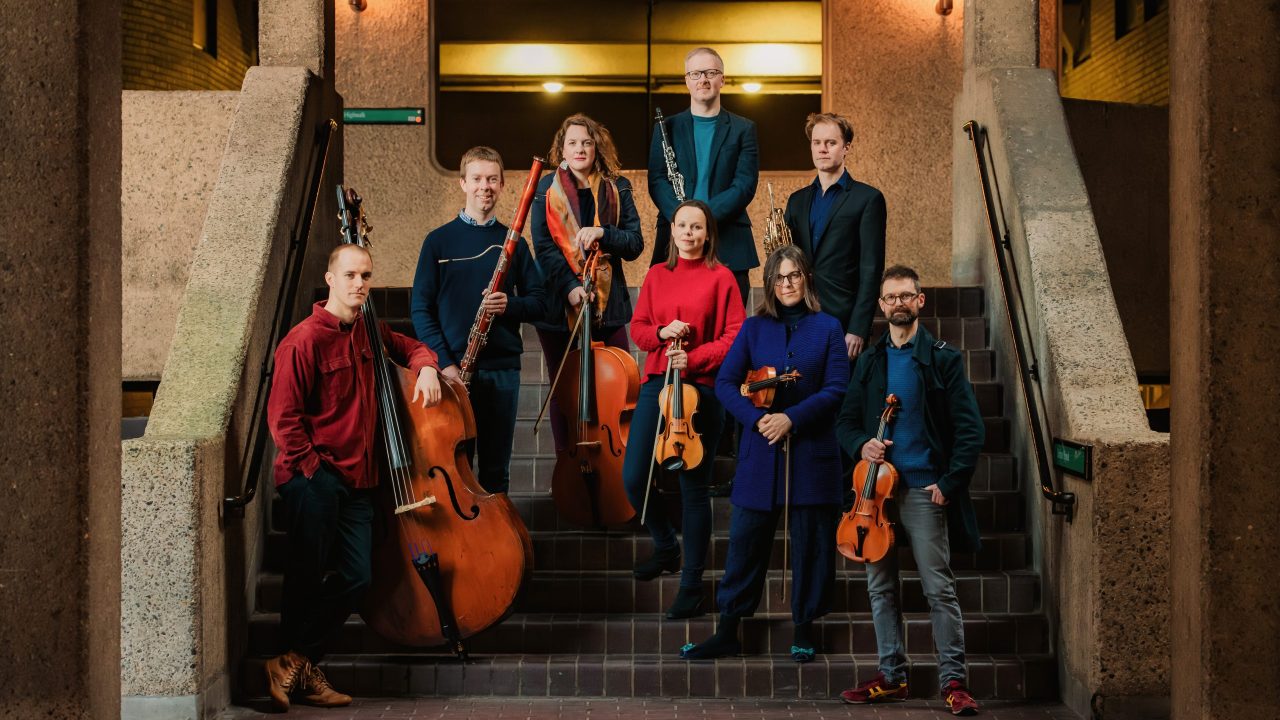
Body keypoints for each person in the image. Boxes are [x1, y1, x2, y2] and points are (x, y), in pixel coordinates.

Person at [264, 244, 441, 712]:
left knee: (357, 576)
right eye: (350, 275)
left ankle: (291, 663)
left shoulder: (369, 330)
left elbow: (413, 347)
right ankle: (302, 672)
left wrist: (426, 368)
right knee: (305, 576)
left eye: (366, 275)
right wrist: (315, 473)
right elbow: (283, 421)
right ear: (330, 279)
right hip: (313, 477)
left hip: (361, 480)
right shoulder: (302, 341)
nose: (360, 283)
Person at [680, 244, 848, 662]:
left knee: (811, 545)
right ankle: (728, 631)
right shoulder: (754, 329)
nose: (787, 284)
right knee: (745, 542)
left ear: (806, 279)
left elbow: (836, 389)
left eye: (794, 275)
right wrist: (758, 421)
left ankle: (804, 629)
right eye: (779, 277)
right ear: (769, 284)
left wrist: (791, 418)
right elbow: (725, 383)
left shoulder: (828, 327)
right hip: (761, 451)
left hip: (812, 452)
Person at [835, 265, 983, 716]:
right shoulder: (870, 360)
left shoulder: (943, 358)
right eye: (890, 297)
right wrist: (862, 444)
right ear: (881, 306)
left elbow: (970, 429)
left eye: (905, 295)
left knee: (939, 588)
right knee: (880, 588)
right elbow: (846, 422)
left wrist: (949, 482)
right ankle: (892, 677)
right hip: (873, 496)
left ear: (920, 301)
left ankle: (953, 682)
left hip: (922, 489)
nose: (898, 303)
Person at [624, 199, 744, 619]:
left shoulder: (722, 277)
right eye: (682, 226)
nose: (689, 233)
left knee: (694, 490)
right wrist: (661, 332)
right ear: (672, 231)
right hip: (657, 385)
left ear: (708, 234)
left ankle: (691, 586)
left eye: (697, 227)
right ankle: (665, 546)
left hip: (701, 391)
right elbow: (638, 329)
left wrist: (692, 359)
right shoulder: (657, 274)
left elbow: (734, 338)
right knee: (634, 478)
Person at [410, 146, 548, 494]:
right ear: (463, 183)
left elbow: (540, 303)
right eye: (477, 179)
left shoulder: (513, 244)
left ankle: (497, 532)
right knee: (456, 468)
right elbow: (421, 310)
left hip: (502, 371)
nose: (484, 186)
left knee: (495, 472)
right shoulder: (437, 242)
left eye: (492, 179)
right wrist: (446, 364)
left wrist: (509, 305)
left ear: (501, 185)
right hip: (452, 371)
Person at [530, 113, 643, 453]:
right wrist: (570, 287)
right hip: (558, 301)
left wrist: (604, 233)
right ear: (561, 150)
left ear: (597, 147)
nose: (580, 149)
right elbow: (543, 247)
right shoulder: (544, 188)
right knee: (563, 388)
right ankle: (568, 464)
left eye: (587, 142)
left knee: (622, 384)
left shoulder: (618, 186)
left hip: (608, 303)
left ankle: (616, 463)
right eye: (573, 143)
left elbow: (634, 244)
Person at [648, 46, 760, 307]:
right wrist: (683, 220)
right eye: (696, 74)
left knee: (729, 326)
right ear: (687, 80)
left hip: (728, 241)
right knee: (674, 323)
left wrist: (702, 218)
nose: (703, 80)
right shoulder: (666, 127)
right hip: (675, 243)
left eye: (711, 73)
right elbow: (657, 180)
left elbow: (744, 185)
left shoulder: (744, 128)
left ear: (722, 79)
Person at [784, 112, 885, 361]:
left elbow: (871, 269)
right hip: (800, 314)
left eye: (831, 143)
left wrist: (858, 328)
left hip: (844, 320)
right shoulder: (796, 201)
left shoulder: (868, 199)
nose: (822, 149)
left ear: (846, 147)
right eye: (817, 142)